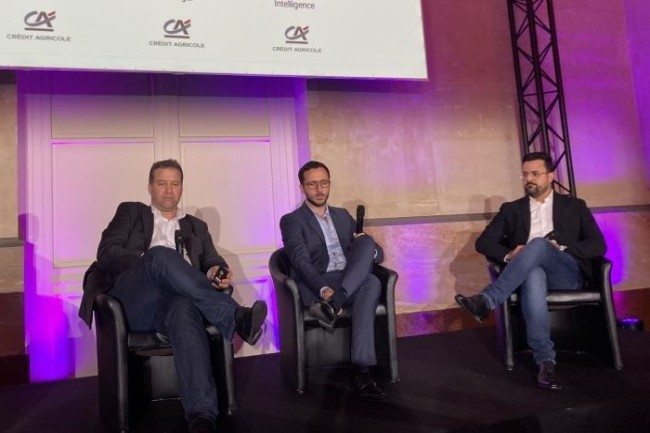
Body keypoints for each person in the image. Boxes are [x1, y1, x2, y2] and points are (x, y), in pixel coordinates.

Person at [78, 159, 267, 433]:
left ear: (181, 188)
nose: (168, 190)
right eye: (161, 183)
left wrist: (217, 271)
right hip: (131, 300)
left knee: (183, 310)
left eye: (174, 184)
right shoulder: (131, 212)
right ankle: (235, 316)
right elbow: (107, 253)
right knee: (160, 255)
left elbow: (214, 262)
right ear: (150, 187)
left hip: (173, 302)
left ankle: (202, 415)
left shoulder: (197, 227)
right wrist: (150, 262)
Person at [455, 151, 606, 391]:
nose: (529, 179)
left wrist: (562, 247)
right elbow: (484, 243)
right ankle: (545, 362)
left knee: (538, 244)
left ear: (550, 176)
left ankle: (488, 299)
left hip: (566, 273)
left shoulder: (575, 206)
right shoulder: (511, 210)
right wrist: (510, 254)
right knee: (533, 274)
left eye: (535, 174)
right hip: (529, 276)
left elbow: (598, 245)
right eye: (525, 174)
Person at [279, 160, 387, 400]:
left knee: (369, 258)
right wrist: (324, 289)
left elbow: (379, 255)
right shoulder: (292, 221)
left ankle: (360, 367)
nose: (319, 189)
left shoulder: (343, 216)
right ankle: (361, 370)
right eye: (313, 184)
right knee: (370, 283)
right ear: (302, 188)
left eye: (324, 183)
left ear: (330, 184)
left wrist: (365, 244)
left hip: (346, 281)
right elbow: (300, 263)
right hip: (318, 282)